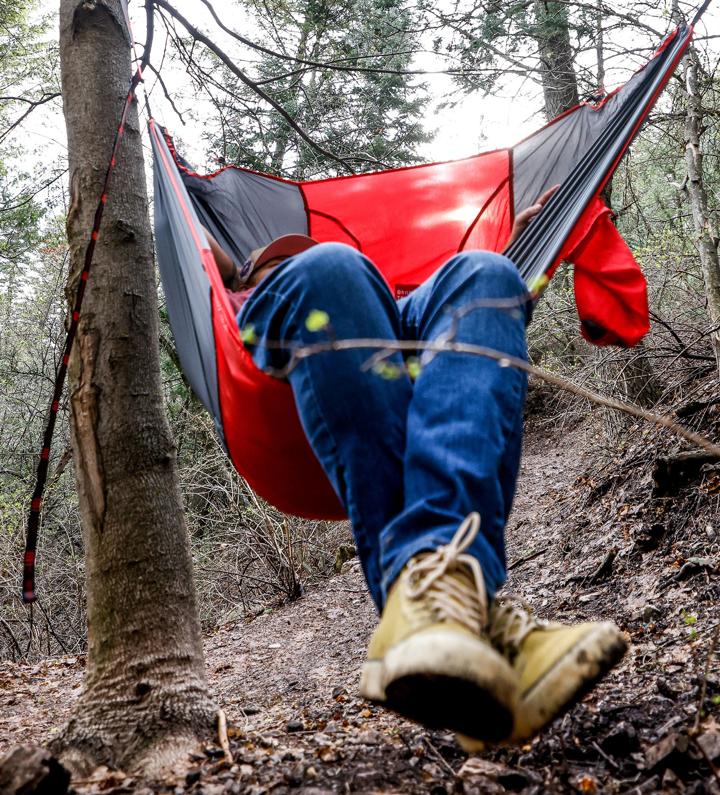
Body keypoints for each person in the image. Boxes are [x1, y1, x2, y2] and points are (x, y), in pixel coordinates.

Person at [202, 185, 626, 746]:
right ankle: (465, 619)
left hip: (392, 322)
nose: (294, 252)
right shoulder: (259, 284)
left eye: (294, 252)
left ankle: (466, 631)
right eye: (277, 259)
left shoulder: (369, 284)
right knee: (329, 266)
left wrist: (526, 245)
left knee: (487, 272)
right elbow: (188, 234)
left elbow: (463, 323)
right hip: (288, 336)